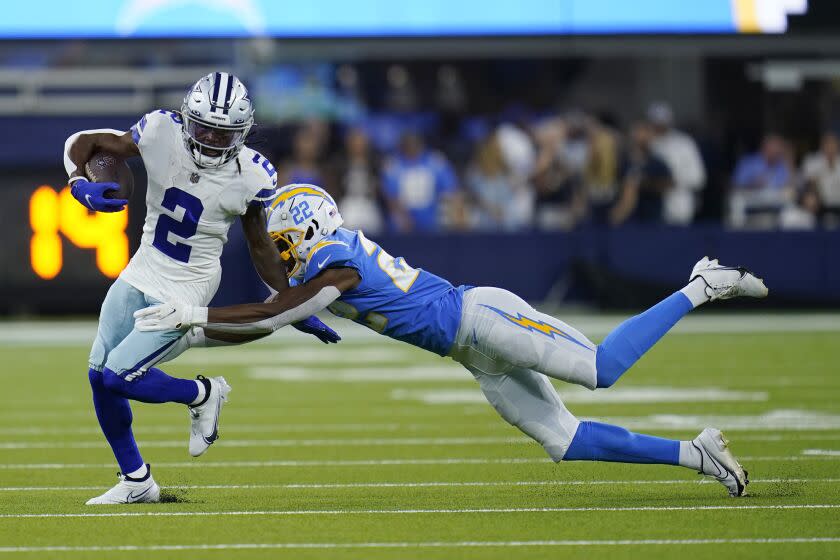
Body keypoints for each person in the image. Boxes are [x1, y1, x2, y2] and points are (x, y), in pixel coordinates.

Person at [135, 183, 769, 498]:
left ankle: (701, 285)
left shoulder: (338, 267)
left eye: (280, 242)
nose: (278, 254)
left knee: (601, 368)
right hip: (473, 354)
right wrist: (192, 334)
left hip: (483, 319)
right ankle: (698, 455)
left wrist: (194, 317)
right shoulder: (329, 261)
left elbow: (272, 315)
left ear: (301, 232)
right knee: (565, 441)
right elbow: (272, 309)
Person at [62, 73, 339, 505]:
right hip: (144, 265)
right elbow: (84, 143)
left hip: (188, 286)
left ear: (242, 133)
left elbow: (260, 244)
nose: (209, 138)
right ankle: (137, 481)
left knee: (120, 376)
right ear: (186, 117)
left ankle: (203, 393)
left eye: (221, 132)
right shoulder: (159, 130)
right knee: (98, 375)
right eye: (202, 126)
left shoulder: (252, 175)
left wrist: (290, 304)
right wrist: (79, 183)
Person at [381, 132, 464, 232]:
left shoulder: (436, 161)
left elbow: (451, 189)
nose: (412, 148)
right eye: (408, 145)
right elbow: (390, 196)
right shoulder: (393, 164)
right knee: (396, 222)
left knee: (451, 216)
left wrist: (458, 213)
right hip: (403, 213)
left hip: (433, 212)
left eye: (415, 145)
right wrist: (403, 217)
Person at [647, 102, 707, 225]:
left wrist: (671, 182)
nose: (659, 126)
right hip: (650, 210)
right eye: (655, 123)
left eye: (662, 122)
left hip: (679, 207)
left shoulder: (684, 143)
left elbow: (699, 178)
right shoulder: (647, 143)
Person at [609, 121, 673, 226]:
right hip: (627, 223)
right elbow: (614, 184)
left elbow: (669, 185)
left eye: (647, 133)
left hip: (651, 220)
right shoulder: (623, 162)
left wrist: (643, 183)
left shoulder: (657, 162)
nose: (643, 136)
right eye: (639, 132)